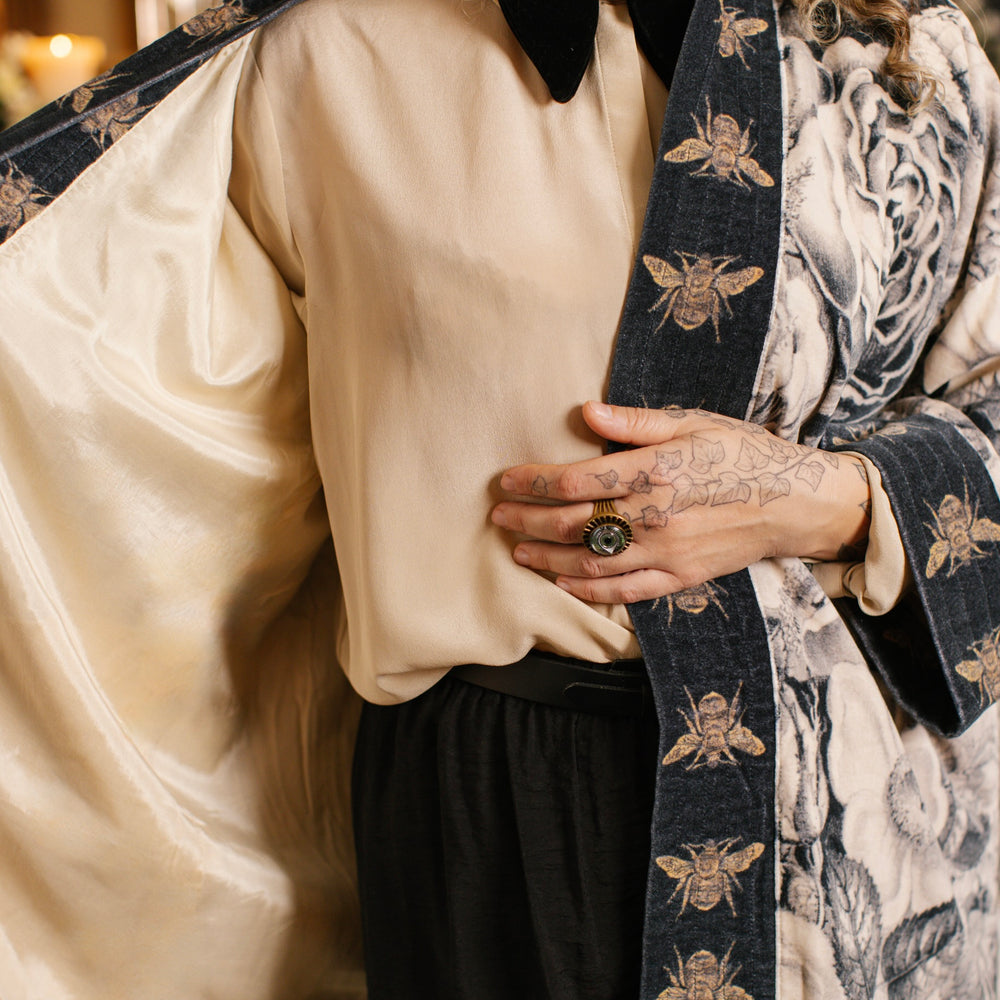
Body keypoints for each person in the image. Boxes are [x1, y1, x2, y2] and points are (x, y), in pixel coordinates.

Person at [0, 0, 998, 997]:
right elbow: (113, 407)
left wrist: (826, 499)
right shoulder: (325, 46)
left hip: (860, 794)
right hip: (483, 808)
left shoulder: (909, 54)